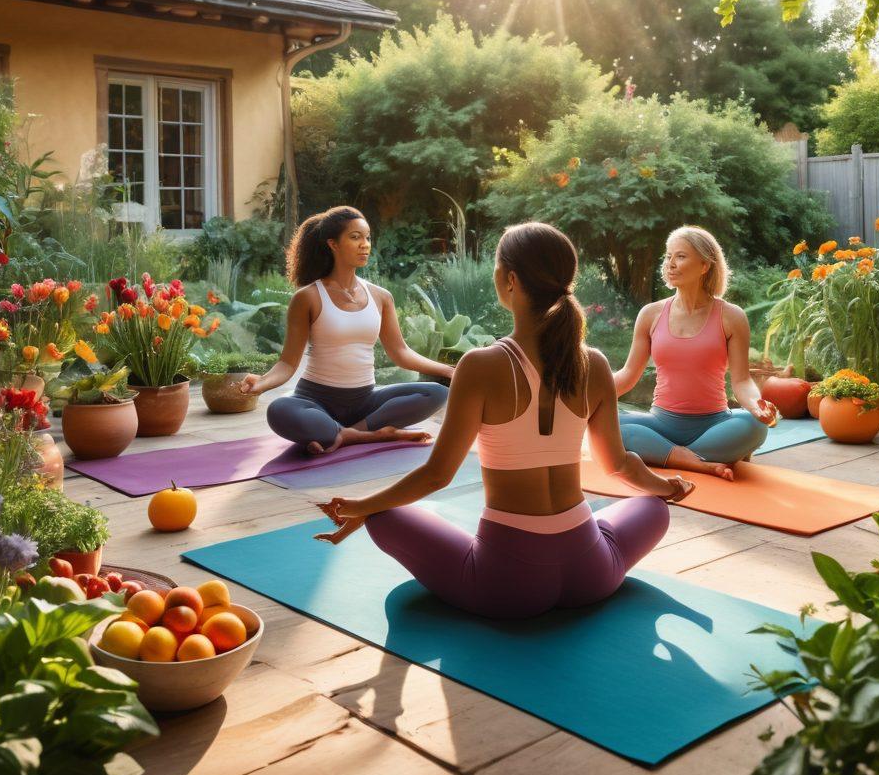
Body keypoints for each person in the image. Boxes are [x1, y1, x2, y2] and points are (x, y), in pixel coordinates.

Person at [314, 222, 695, 621]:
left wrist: (362, 506)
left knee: (385, 515)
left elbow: (436, 476)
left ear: (509, 279)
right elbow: (618, 464)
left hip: (506, 583)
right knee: (654, 508)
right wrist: (666, 487)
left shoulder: (480, 365)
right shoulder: (594, 363)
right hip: (591, 572)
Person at [240, 206, 451, 457]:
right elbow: (287, 363)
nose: (365, 245)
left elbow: (400, 352)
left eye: (368, 237)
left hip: (366, 401)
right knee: (280, 410)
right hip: (316, 401)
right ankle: (372, 434)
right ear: (333, 244)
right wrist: (261, 383)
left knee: (436, 392)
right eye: (355, 237)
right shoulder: (308, 297)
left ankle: (344, 434)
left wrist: (450, 371)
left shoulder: (381, 297)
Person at [612, 225, 776, 481]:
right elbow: (628, 374)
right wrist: (588, 399)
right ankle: (703, 462)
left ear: (704, 265)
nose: (670, 264)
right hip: (661, 423)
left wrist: (757, 407)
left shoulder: (731, 316)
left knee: (754, 426)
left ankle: (668, 455)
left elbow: (742, 381)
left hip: (714, 424)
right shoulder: (650, 314)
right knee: (608, 427)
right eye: (668, 257)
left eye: (680, 256)